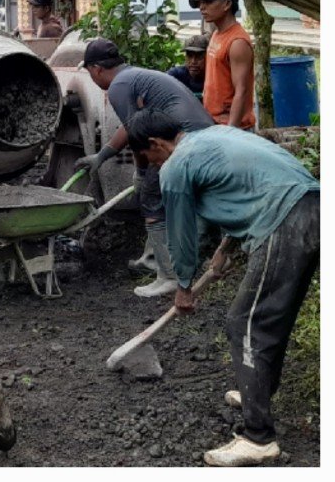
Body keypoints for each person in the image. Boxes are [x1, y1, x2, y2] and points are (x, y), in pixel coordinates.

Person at [126, 109, 319, 467]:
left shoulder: (175, 166)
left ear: (155, 144)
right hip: (315, 206)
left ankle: (258, 438)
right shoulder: (213, 137)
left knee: (245, 323)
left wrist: (183, 286)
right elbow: (243, 188)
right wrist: (223, 250)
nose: (150, 165)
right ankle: (257, 391)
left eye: (146, 157)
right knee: (270, 317)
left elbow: (181, 234)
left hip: (284, 220)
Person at [75, 38, 213, 297]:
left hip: (185, 140)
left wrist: (140, 174)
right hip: (201, 135)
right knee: (163, 198)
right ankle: (156, 260)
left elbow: (139, 137)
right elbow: (130, 127)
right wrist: (102, 156)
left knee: (150, 196)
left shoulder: (118, 86)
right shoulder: (133, 76)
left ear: (96, 69)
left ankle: (169, 275)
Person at [195, 0, 256, 130]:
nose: (202, 7)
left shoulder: (237, 42)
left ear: (227, 4)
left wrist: (231, 133)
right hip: (215, 123)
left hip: (233, 128)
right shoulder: (217, 33)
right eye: (201, 2)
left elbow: (241, 90)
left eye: (208, 1)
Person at [166, 34, 209, 99]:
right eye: (189, 56)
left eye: (199, 57)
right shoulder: (177, 74)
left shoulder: (214, 78)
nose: (193, 61)